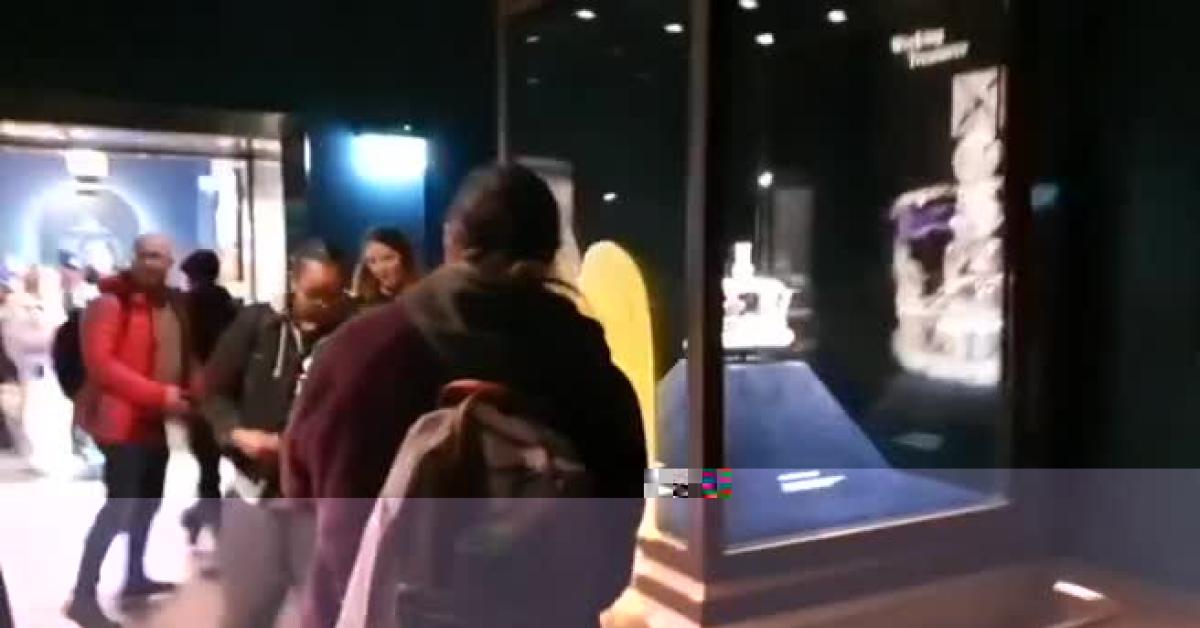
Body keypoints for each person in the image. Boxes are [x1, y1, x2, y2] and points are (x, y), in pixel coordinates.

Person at [284, 164, 647, 628]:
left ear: (450, 239)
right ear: (552, 252)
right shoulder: (588, 370)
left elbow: (301, 492)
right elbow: (615, 537)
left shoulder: (356, 353)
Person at [202, 240, 352, 628]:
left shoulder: (354, 334)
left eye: (334, 295)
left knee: (326, 615)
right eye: (315, 294)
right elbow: (213, 391)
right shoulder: (257, 324)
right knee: (245, 613)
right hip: (255, 493)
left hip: (320, 502)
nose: (324, 305)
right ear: (293, 282)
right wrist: (236, 433)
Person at [66, 234, 193, 628]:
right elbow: (102, 366)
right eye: (148, 255)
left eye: (163, 257)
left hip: (154, 421)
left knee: (149, 502)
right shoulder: (108, 304)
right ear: (134, 257)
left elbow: (181, 355)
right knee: (119, 506)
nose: (155, 264)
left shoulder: (170, 304)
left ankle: (134, 575)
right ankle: (82, 595)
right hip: (120, 424)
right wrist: (160, 395)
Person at [178, 249, 238, 543]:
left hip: (199, 393)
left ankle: (206, 519)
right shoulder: (230, 306)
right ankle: (205, 518)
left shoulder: (185, 308)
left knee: (207, 465)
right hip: (228, 394)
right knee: (220, 463)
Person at [351, 227, 419, 308]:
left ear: (405, 259)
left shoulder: (423, 296)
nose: (380, 269)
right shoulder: (366, 303)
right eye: (372, 261)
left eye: (388, 258)